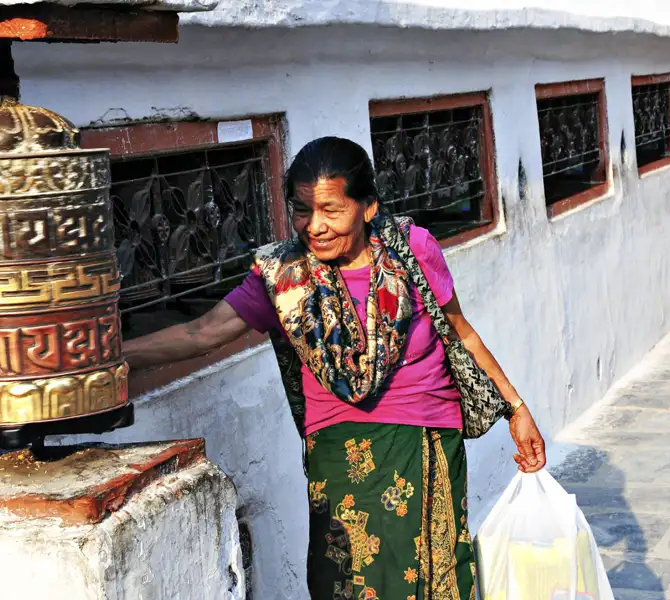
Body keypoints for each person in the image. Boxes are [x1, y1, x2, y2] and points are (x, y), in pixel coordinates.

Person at [123, 136, 547, 599]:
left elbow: (460, 331)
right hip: (337, 456)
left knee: (431, 580)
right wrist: (112, 357)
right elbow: (201, 333)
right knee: (344, 582)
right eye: (302, 210)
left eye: (330, 209)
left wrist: (516, 408)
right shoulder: (283, 278)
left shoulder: (410, 249)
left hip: (422, 440)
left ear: (367, 207)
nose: (315, 226)